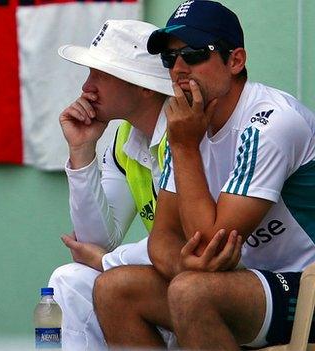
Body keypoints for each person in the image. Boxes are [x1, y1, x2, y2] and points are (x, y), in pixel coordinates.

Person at [93, 1, 315, 349]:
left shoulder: (270, 122)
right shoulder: (188, 125)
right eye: (169, 58)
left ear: (235, 61)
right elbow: (163, 239)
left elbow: (210, 239)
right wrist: (183, 262)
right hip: (244, 282)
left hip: (306, 281)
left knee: (191, 292)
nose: (178, 69)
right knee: (114, 289)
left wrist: (183, 148)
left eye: (194, 54)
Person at [46, 19, 174, 350]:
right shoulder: (124, 137)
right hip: (166, 281)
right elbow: (96, 241)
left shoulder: (186, 133)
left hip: (219, 285)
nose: (87, 87)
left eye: (101, 74)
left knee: (101, 279)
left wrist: (109, 261)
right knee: (70, 280)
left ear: (144, 85)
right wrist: (81, 151)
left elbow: (180, 243)